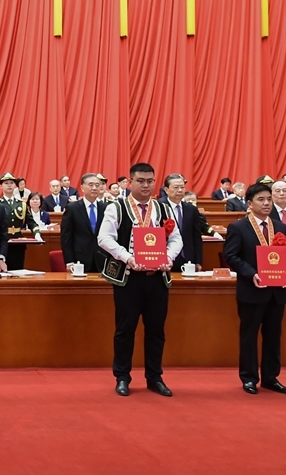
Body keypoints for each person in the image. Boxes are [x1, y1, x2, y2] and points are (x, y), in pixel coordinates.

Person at [98, 162, 182, 397]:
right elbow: (104, 238)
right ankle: (122, 377)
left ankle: (154, 377)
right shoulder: (117, 207)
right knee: (125, 330)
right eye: (141, 181)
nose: (146, 186)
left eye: (150, 181)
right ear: (130, 182)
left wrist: (169, 257)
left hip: (157, 279)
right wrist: (128, 257)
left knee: (156, 330)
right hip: (129, 279)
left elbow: (177, 239)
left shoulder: (164, 209)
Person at [223, 183, 286, 394]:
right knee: (249, 336)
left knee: (273, 336)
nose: (266, 204)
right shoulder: (238, 227)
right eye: (261, 200)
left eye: (269, 199)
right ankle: (249, 378)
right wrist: (251, 273)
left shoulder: (281, 227)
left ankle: (271, 378)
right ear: (249, 203)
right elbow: (231, 256)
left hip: (276, 291)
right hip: (252, 290)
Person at [60, 174, 108, 273]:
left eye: (97, 185)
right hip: (80, 259)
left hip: (103, 258)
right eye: (91, 185)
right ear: (82, 187)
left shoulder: (106, 208)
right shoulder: (72, 208)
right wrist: (69, 261)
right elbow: (66, 237)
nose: (94, 188)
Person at [0, 173, 41, 270]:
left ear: (15, 185)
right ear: (1, 186)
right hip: (1, 242)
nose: (9, 185)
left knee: (17, 271)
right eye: (6, 183)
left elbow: (31, 223)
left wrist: (37, 234)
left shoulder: (22, 204)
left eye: (11, 183)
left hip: (18, 242)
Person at [163, 174, 204, 272]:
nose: (180, 190)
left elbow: (196, 236)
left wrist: (198, 261)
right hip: (166, 259)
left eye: (182, 187)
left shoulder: (191, 209)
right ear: (166, 190)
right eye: (176, 187)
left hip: (188, 259)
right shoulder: (159, 207)